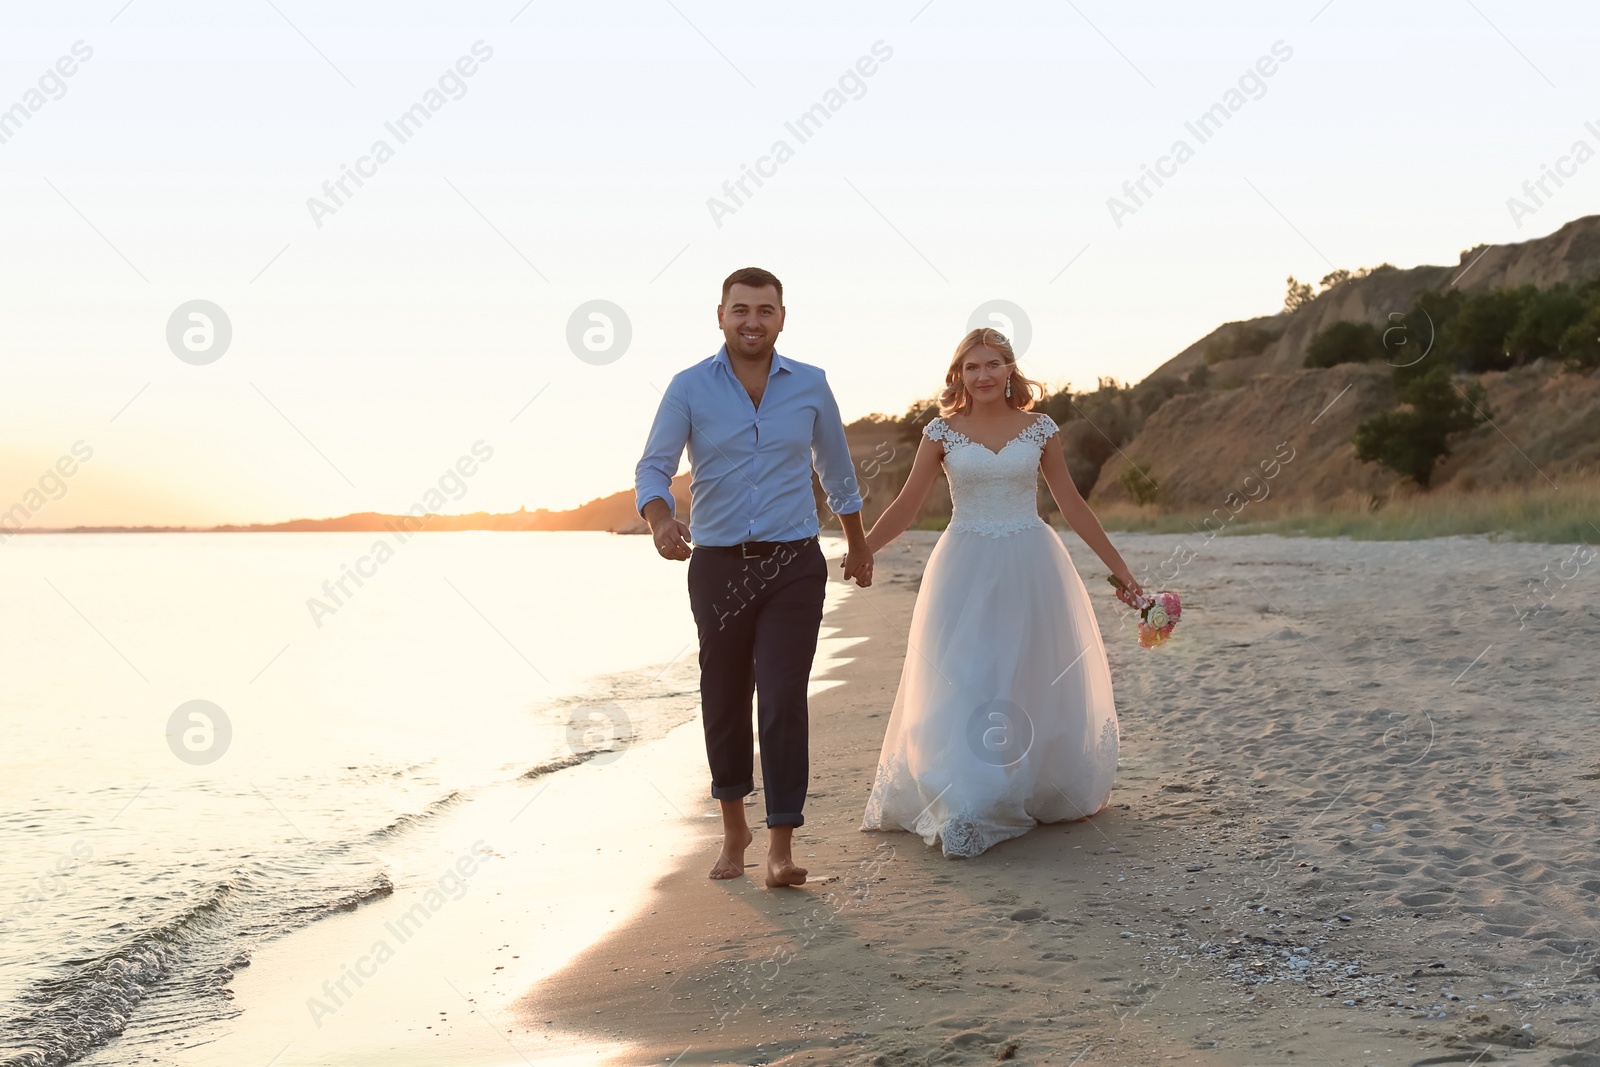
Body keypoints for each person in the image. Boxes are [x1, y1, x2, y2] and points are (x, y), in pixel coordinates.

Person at [859, 327, 1145, 858]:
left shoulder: (1040, 429)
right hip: (963, 565)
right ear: (958, 375)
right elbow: (907, 505)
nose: (983, 375)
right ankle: (968, 795)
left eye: (993, 364)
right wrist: (862, 548)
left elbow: (1073, 505)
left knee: (1027, 673)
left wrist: (1123, 574)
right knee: (966, 672)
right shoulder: (941, 433)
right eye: (972, 367)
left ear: (1010, 369)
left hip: (1030, 560)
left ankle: (1028, 785)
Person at [635, 266, 874, 887]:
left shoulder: (812, 385)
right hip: (717, 568)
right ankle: (734, 825)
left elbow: (837, 471)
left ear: (781, 318)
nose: (752, 321)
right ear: (720, 316)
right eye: (740, 310)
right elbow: (653, 469)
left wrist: (858, 543)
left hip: (794, 563)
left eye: (764, 310)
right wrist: (661, 521)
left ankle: (781, 846)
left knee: (783, 695)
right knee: (724, 697)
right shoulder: (689, 388)